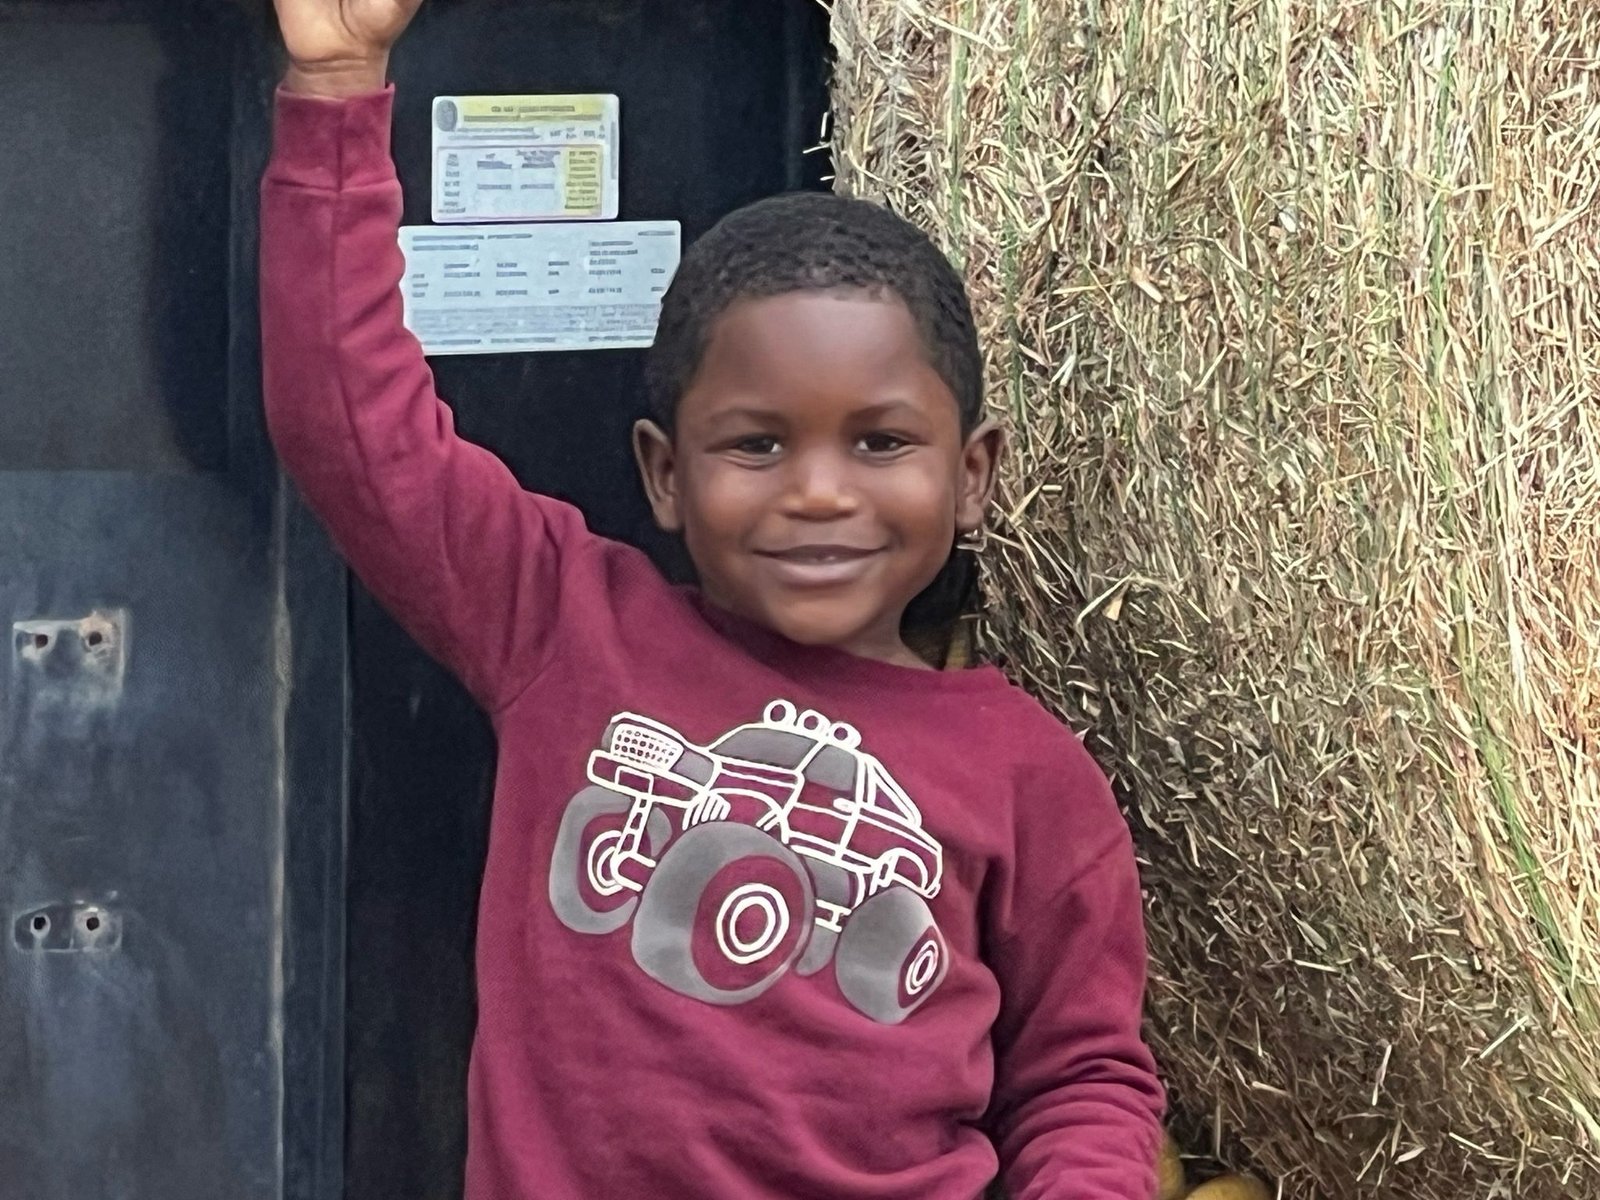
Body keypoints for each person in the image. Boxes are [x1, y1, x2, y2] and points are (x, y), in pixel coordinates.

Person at [261, 1, 1165, 1196]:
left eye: (881, 442)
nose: (819, 493)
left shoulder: (1028, 775)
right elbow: (353, 428)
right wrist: (337, 85)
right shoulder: (562, 624)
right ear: (664, 474)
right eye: (756, 445)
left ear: (971, 475)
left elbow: (1080, 1079)